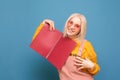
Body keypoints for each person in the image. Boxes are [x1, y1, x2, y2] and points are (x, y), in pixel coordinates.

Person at [33, 13, 100, 80]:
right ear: (67, 22)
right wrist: (43, 25)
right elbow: (37, 42)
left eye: (77, 26)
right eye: (71, 22)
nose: (71, 27)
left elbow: (95, 70)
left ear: (81, 29)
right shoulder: (58, 42)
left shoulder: (86, 45)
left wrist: (92, 66)